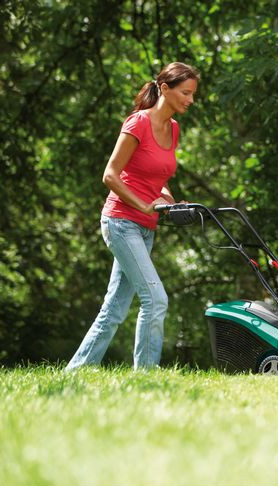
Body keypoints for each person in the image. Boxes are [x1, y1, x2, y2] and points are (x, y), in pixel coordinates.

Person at [66, 62, 199, 371]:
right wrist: (141, 205)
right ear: (165, 89)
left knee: (114, 309)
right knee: (156, 299)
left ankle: (76, 372)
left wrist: (171, 202)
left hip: (145, 228)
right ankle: (147, 376)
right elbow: (110, 175)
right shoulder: (139, 122)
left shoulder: (173, 129)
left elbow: (157, 177)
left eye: (193, 94)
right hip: (120, 221)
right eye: (186, 93)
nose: (191, 100)